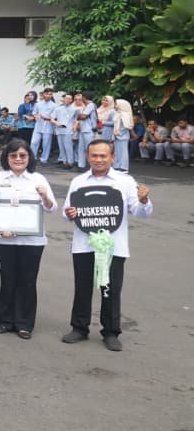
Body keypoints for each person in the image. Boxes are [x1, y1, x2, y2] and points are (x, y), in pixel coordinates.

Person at [63, 140, 152, 351]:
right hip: (83, 244)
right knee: (82, 287)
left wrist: (143, 201)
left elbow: (140, 213)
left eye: (103, 156)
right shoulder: (78, 181)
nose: (98, 160)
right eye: (94, 155)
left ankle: (111, 332)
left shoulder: (125, 181)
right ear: (87, 156)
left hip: (114, 247)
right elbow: (67, 210)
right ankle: (79, 327)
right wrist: (69, 213)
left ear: (112, 157)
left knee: (111, 290)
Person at [0, 139, 57, 340]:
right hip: (4, 239)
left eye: (22, 155)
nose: (18, 159)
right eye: (13, 155)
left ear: (29, 157)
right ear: (6, 158)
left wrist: (45, 196)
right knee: (7, 280)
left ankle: (24, 323)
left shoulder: (38, 179)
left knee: (27, 280)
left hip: (32, 241)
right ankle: (4, 321)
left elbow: (52, 208)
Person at [112, 99, 134, 171]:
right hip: (117, 135)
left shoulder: (125, 115)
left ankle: (123, 167)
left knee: (123, 151)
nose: (115, 105)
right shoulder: (117, 113)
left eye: (116, 104)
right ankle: (116, 165)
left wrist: (118, 132)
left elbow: (127, 126)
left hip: (123, 135)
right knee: (117, 151)